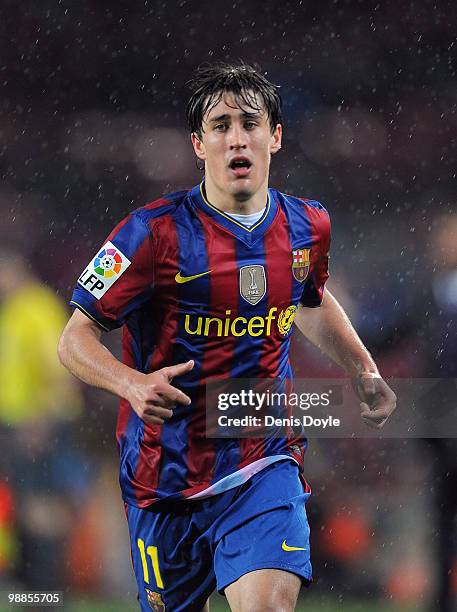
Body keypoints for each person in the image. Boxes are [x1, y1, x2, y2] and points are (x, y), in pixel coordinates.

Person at [58, 63, 396, 612]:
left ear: (275, 135)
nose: (236, 136)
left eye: (250, 122)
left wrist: (363, 369)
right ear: (199, 144)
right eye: (219, 125)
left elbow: (308, 300)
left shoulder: (309, 226)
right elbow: (74, 338)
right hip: (163, 476)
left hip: (263, 457)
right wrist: (132, 384)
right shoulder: (150, 233)